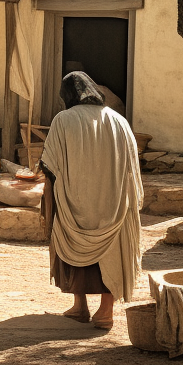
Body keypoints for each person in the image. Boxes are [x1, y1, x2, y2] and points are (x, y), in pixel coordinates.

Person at [40, 71, 143, 330]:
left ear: (68, 96)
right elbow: (132, 168)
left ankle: (80, 306)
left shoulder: (63, 120)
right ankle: (105, 312)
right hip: (114, 203)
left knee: (71, 245)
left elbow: (49, 165)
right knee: (112, 253)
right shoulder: (120, 121)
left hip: (75, 202)